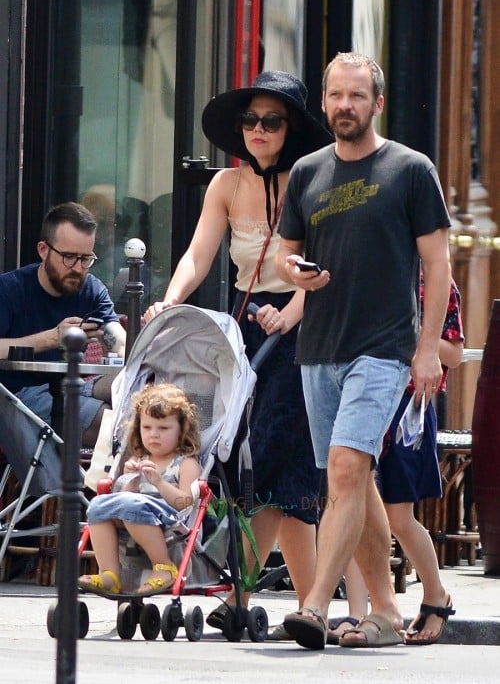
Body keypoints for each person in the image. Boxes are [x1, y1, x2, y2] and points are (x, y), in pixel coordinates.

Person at [144, 71, 332, 635]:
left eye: (271, 121)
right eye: (249, 120)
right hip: (245, 330)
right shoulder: (224, 185)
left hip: (304, 323)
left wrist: (291, 312)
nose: (258, 130)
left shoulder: (312, 178)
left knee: (277, 461)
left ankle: (258, 598)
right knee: (249, 464)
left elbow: (322, 265)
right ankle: (307, 608)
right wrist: (169, 303)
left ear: (291, 127)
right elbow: (199, 255)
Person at [275, 52, 453, 650]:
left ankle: (317, 607)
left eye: (356, 96)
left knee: (349, 471)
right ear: (323, 102)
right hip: (318, 347)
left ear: (377, 102)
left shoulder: (410, 169)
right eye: (335, 96)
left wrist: (427, 350)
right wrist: (294, 272)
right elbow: (285, 250)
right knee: (354, 483)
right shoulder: (306, 171)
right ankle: (384, 611)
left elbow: (437, 263)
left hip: (383, 348)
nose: (344, 106)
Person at [331, 274, 463, 646]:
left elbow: (453, 352)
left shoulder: (436, 282)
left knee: (399, 517)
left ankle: (436, 596)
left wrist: (412, 338)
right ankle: (359, 612)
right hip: (364, 397)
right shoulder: (371, 272)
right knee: (354, 504)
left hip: (409, 406)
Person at [0, 201, 126, 447]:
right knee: (113, 424)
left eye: (86, 258)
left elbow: (116, 336)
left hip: (73, 386)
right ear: (43, 250)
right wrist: (53, 338)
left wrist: (130, 352)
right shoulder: (10, 290)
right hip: (18, 397)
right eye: (68, 257)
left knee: (142, 395)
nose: (78, 268)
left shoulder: (91, 289)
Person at [78, 382, 201, 596]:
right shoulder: (140, 459)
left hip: (171, 518)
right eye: (147, 427)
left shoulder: (185, 463)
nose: (154, 434)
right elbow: (127, 498)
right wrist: (131, 480)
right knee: (98, 505)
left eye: (163, 428)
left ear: (182, 430)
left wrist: (159, 483)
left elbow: (187, 503)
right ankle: (110, 573)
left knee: (131, 505)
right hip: (135, 514)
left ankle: (163, 567)